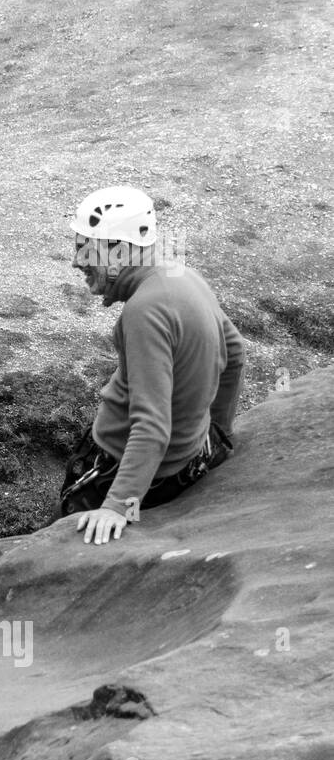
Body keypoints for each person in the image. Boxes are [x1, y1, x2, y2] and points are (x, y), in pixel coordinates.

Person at [59, 187, 245, 544]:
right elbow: (234, 356)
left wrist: (117, 506)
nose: (76, 262)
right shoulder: (183, 276)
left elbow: (152, 424)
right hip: (187, 462)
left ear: (120, 249)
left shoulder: (144, 312)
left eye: (85, 249)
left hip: (122, 471)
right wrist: (217, 436)